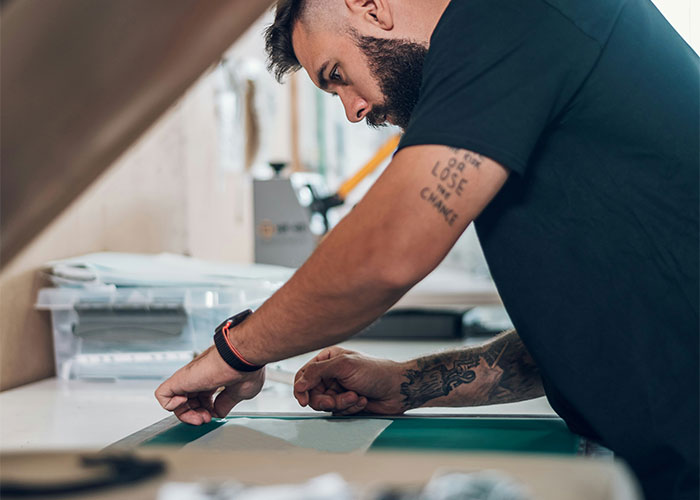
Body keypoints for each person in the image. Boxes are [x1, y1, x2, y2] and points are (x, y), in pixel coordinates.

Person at [155, 0, 699, 498]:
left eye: (337, 75)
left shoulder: (509, 15)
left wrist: (236, 351)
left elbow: (386, 253)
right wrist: (406, 384)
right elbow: (594, 329)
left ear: (368, 5)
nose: (353, 110)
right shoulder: (516, 50)